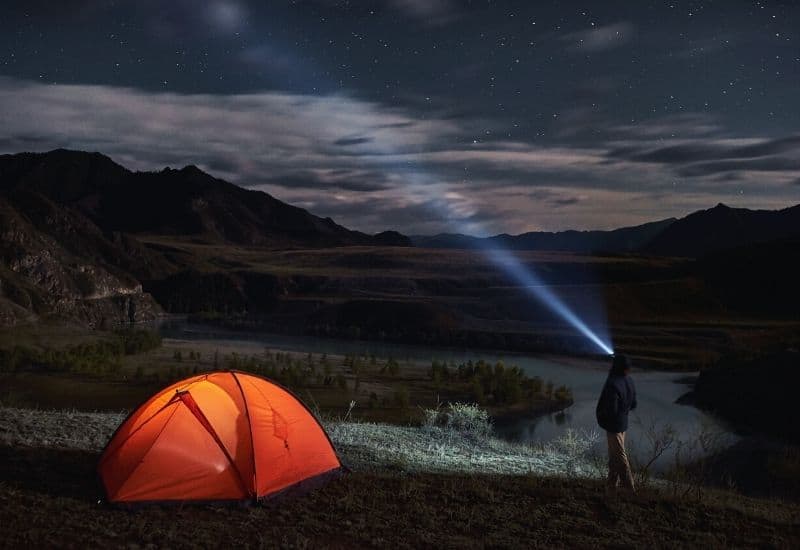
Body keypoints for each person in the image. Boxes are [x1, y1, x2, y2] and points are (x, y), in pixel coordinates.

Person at [595, 353, 637, 493]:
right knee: (614, 455)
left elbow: (610, 409)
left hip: (614, 426)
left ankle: (630, 489)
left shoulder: (613, 383)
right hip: (623, 423)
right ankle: (611, 486)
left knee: (619, 455)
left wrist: (602, 417)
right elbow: (634, 404)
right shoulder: (629, 380)